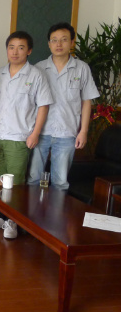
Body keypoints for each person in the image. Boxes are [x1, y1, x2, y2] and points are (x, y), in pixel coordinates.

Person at [0, 31, 53, 239]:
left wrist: (35, 133)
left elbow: (43, 106)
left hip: (20, 138)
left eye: (21, 47)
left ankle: (12, 221)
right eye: (11, 47)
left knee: (15, 183)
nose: (15, 52)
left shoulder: (36, 75)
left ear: (29, 51)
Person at [28, 22, 99, 190]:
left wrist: (83, 131)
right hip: (39, 132)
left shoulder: (81, 69)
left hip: (67, 132)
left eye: (64, 39)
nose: (58, 44)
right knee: (33, 179)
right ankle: (30, 208)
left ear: (72, 42)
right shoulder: (38, 68)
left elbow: (86, 101)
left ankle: (56, 209)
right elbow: (30, 103)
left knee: (60, 182)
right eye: (54, 40)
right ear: (49, 44)